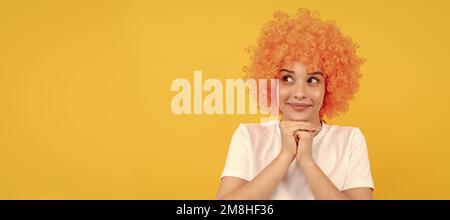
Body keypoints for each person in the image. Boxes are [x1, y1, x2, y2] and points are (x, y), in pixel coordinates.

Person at [216, 8, 374, 200]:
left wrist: (307, 162)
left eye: (313, 80)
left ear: (329, 86)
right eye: (287, 79)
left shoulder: (350, 140)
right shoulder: (249, 136)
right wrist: (285, 155)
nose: (299, 93)